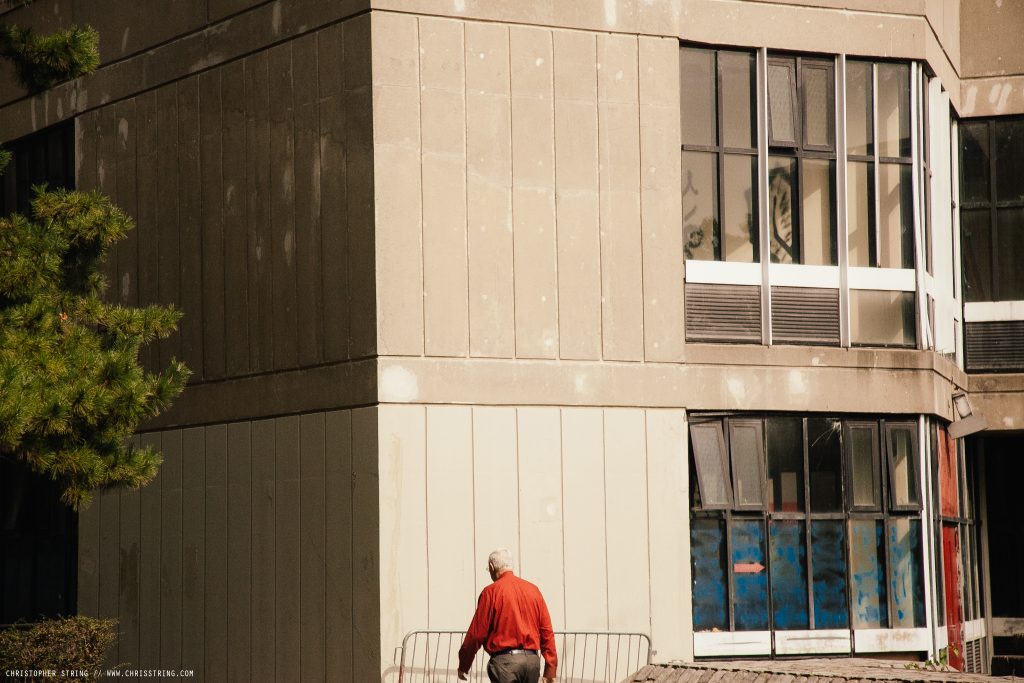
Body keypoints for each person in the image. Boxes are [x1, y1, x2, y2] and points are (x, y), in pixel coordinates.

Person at [457, 548, 557, 682]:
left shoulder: (490, 592)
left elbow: (476, 634)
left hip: (505, 664)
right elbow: (546, 631)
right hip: (532, 662)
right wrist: (550, 668)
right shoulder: (534, 590)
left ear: (492, 567)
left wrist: (464, 663)